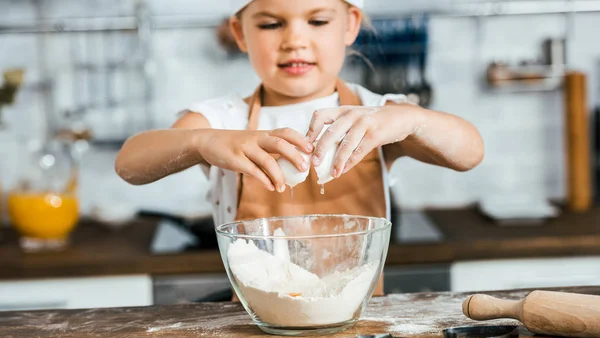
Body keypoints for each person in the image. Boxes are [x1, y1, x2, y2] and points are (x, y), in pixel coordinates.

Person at [115, 0, 484, 296]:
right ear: (239, 33)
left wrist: (413, 118)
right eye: (270, 24)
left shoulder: (376, 116)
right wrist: (202, 141)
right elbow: (130, 163)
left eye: (318, 21)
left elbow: (470, 152)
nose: (294, 40)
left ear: (350, 25)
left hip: (359, 330)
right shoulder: (225, 120)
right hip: (259, 331)